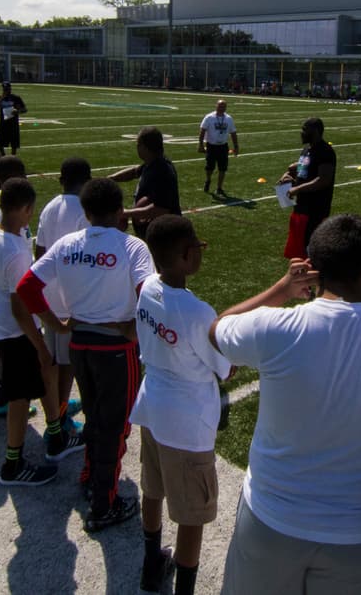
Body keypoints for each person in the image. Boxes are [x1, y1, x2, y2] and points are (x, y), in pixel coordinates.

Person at [209, 214, 361, 594]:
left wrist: (283, 288)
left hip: (271, 517)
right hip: (359, 532)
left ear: (314, 270)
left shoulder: (276, 327)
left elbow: (218, 329)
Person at [16, 178, 156, 533]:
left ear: (87, 212)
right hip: (115, 348)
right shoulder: (133, 247)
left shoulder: (67, 244)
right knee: (115, 426)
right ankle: (103, 503)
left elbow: (26, 287)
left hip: (79, 344)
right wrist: (132, 327)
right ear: (120, 211)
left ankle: (91, 474)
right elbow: (151, 296)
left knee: (95, 416)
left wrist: (57, 324)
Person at [132, 215, 232, 595]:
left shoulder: (147, 288)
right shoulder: (197, 311)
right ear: (187, 256)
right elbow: (225, 368)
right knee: (192, 515)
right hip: (187, 423)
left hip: (152, 405)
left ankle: (150, 563)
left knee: (153, 489)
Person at [0, 177, 84, 486]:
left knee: (46, 378)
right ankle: (13, 464)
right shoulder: (15, 251)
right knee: (20, 399)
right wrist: (47, 336)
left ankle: (55, 436)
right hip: (14, 335)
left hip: (3, 329)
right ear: (26, 208)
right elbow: (21, 308)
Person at [34, 156, 92, 436]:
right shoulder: (84, 210)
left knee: (55, 360)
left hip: (49, 298)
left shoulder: (49, 207)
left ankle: (56, 407)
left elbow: (40, 253)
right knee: (67, 364)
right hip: (71, 301)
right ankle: (57, 420)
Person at [109, 126, 180, 237]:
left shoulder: (162, 171)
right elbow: (134, 172)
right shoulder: (152, 164)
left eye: (138, 145)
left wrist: (125, 213)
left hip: (164, 235)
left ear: (146, 147)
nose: (137, 148)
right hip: (153, 232)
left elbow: (160, 209)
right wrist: (110, 179)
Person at [280, 117, 335, 259]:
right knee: (298, 254)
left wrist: (297, 189)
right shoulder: (306, 150)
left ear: (315, 131)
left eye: (305, 129)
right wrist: (288, 176)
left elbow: (323, 180)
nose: (301, 132)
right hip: (301, 208)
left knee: (311, 254)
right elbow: (302, 172)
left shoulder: (325, 151)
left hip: (315, 210)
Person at [197, 99, 239, 196]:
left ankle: (219, 187)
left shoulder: (229, 118)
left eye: (224, 106)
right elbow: (202, 131)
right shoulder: (209, 117)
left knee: (222, 168)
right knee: (209, 167)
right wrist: (200, 144)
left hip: (223, 146)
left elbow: (233, 133)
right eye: (220, 106)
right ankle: (208, 180)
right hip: (211, 146)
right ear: (216, 106)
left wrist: (236, 146)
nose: (221, 108)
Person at [0, 82, 26, 155]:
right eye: (4, 89)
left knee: (14, 144)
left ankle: (12, 157)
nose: (6, 90)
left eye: (7, 89)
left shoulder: (16, 98)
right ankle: (3, 156)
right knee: (0, 143)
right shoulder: (0, 97)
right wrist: (2, 97)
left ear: (10, 89)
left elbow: (25, 109)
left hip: (13, 123)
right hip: (3, 123)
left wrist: (17, 111)